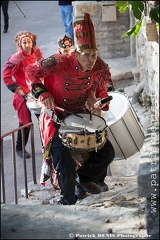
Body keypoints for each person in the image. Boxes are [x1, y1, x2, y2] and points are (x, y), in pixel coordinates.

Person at [25, 13, 115, 205]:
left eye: (94, 54)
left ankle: (83, 179)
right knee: (63, 160)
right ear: (76, 53)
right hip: (55, 116)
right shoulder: (58, 61)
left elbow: (104, 84)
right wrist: (43, 93)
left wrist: (94, 95)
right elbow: (31, 71)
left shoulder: (97, 64)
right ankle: (67, 200)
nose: (91, 60)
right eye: (86, 55)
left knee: (107, 152)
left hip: (81, 115)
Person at [2, 31, 43, 158]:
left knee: (44, 120)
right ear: (19, 44)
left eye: (29, 42)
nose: (27, 45)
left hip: (36, 90)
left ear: (32, 42)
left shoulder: (37, 52)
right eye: (24, 42)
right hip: (23, 94)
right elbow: (6, 76)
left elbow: (42, 67)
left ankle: (46, 146)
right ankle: (20, 148)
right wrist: (18, 89)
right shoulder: (15, 58)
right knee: (25, 122)